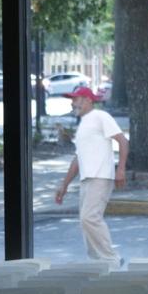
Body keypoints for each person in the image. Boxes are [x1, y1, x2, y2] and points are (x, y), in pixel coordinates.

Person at [54, 85, 129, 265]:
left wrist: (121, 169)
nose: (73, 103)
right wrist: (64, 185)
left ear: (88, 100)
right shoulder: (83, 125)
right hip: (87, 178)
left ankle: (111, 259)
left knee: (89, 217)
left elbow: (123, 141)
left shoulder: (101, 116)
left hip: (101, 176)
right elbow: (78, 158)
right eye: (72, 100)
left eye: (76, 99)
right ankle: (97, 260)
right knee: (85, 220)